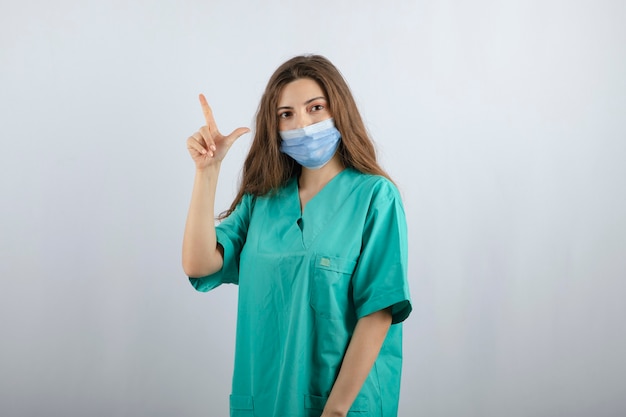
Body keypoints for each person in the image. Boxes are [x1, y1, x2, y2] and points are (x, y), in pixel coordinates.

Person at [182, 54, 412, 417]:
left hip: (340, 405)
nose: (301, 124)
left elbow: (379, 311)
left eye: (315, 108)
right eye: (286, 114)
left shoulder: (375, 197)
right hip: (264, 400)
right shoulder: (262, 202)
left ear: (339, 111)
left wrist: (334, 412)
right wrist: (207, 172)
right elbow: (198, 263)